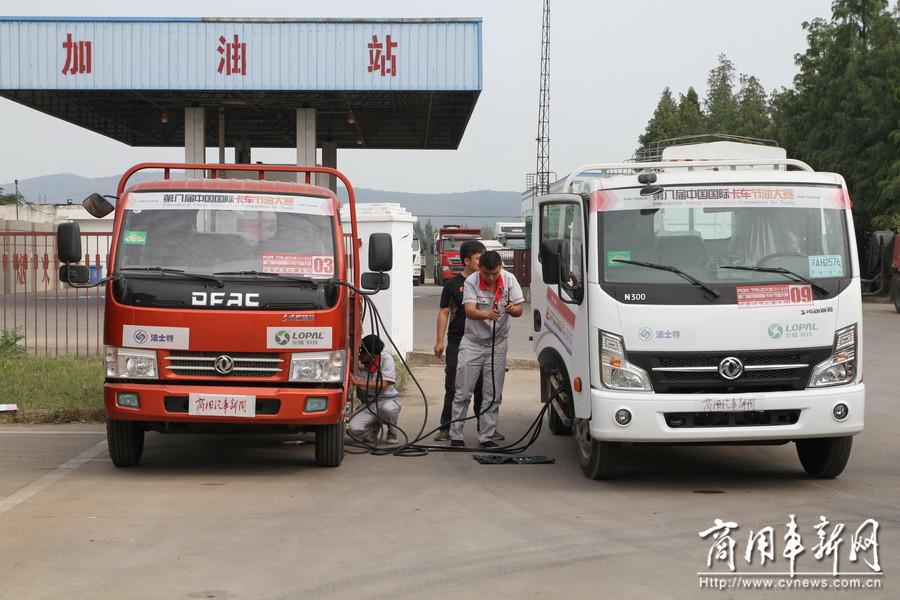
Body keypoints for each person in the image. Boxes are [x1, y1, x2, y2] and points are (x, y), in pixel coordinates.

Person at [448, 250, 524, 448]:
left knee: (493, 393)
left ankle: (486, 436)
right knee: (463, 391)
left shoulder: (509, 280)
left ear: (501, 269)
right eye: (487, 273)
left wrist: (510, 309)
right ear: (480, 268)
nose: (491, 278)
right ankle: (456, 435)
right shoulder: (471, 281)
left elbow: (519, 310)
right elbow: (470, 311)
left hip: (498, 344)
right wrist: (488, 315)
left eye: (495, 273)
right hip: (472, 343)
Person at [434, 240, 503, 442]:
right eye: (478, 259)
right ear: (467, 261)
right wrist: (440, 341)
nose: (483, 264)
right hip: (457, 340)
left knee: (484, 386)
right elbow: (444, 312)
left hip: (483, 342)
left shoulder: (489, 282)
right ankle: (447, 427)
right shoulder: (453, 284)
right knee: (455, 386)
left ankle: (486, 428)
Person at [347, 334, 401, 444]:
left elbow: (383, 385)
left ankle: (392, 431)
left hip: (387, 401)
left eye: (363, 353)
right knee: (351, 428)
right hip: (368, 404)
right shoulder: (355, 360)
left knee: (388, 409)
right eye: (360, 351)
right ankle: (371, 431)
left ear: (374, 355)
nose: (360, 355)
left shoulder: (386, 359)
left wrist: (357, 382)